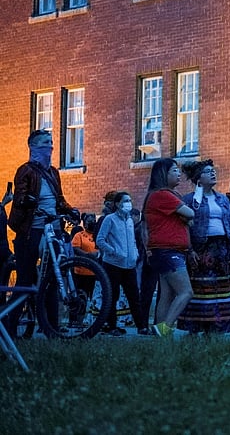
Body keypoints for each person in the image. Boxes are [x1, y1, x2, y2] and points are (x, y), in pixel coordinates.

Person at [3, 130, 78, 337]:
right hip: (30, 231)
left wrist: (70, 210)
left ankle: (51, 329)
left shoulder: (53, 172)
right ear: (33, 147)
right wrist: (28, 201)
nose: (50, 147)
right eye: (45, 143)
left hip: (51, 230)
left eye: (52, 142)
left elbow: (59, 199)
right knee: (25, 281)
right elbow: (19, 197)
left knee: (52, 281)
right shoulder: (25, 170)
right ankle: (9, 327)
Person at [180, 160, 230, 334]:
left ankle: (219, 327)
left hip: (222, 247)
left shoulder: (222, 199)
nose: (213, 173)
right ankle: (197, 327)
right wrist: (189, 250)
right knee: (201, 289)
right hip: (201, 249)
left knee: (223, 289)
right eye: (208, 172)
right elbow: (185, 227)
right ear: (198, 178)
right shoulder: (190, 200)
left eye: (213, 171)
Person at [143, 158, 195, 337]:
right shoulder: (162, 195)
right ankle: (165, 328)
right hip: (168, 251)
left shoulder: (165, 195)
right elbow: (190, 213)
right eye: (174, 170)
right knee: (186, 291)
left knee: (167, 294)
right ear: (163, 174)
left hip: (165, 251)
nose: (178, 173)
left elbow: (188, 217)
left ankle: (158, 330)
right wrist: (185, 215)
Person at [96, 192, 151, 335]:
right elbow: (100, 240)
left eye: (130, 200)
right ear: (117, 204)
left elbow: (132, 240)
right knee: (112, 296)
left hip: (129, 264)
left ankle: (141, 326)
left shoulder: (129, 221)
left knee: (134, 296)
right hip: (113, 264)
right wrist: (113, 251)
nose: (129, 203)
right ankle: (112, 326)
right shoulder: (109, 219)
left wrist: (135, 254)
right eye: (126, 200)